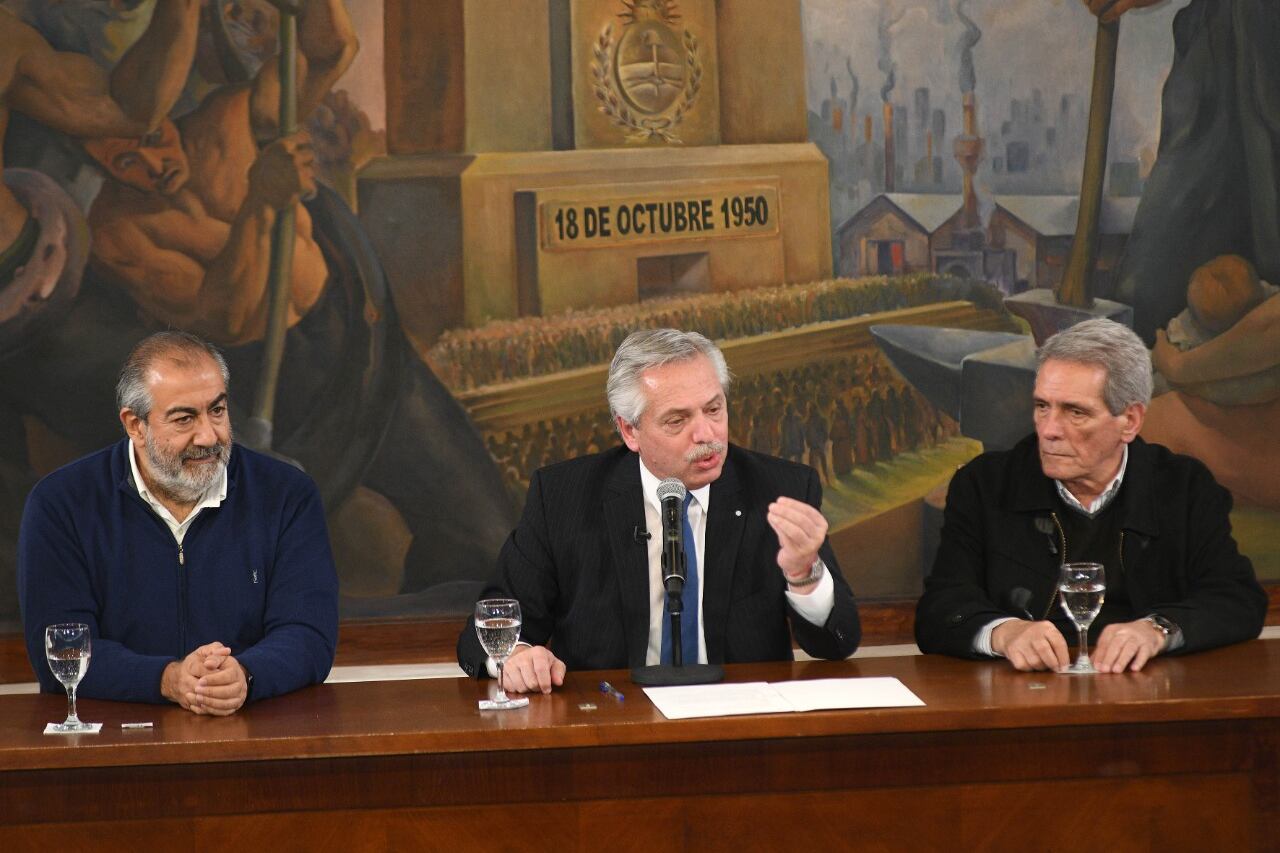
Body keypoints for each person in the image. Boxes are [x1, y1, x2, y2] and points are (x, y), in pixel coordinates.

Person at [457, 329, 861, 692]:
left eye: (714, 409)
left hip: (741, 723)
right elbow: (482, 633)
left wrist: (804, 574)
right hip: (611, 721)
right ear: (630, 431)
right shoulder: (564, 497)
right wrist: (517, 656)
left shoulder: (780, 490)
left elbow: (836, 643)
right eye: (677, 420)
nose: (706, 434)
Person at [915, 318, 1266, 673]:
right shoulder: (985, 485)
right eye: (1042, 407)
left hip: (1147, 688)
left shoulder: (1184, 488)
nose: (1049, 430)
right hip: (1025, 690)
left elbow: (1237, 600)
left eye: (1075, 412)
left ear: (1129, 421)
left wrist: (1158, 630)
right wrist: (1003, 633)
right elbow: (939, 610)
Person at [17, 331, 338, 714]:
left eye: (217, 411)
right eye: (185, 419)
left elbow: (309, 635)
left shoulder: (286, 495)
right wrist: (169, 679)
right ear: (135, 425)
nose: (208, 436)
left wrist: (244, 675)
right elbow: (61, 653)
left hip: (251, 728)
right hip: (113, 736)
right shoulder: (61, 504)